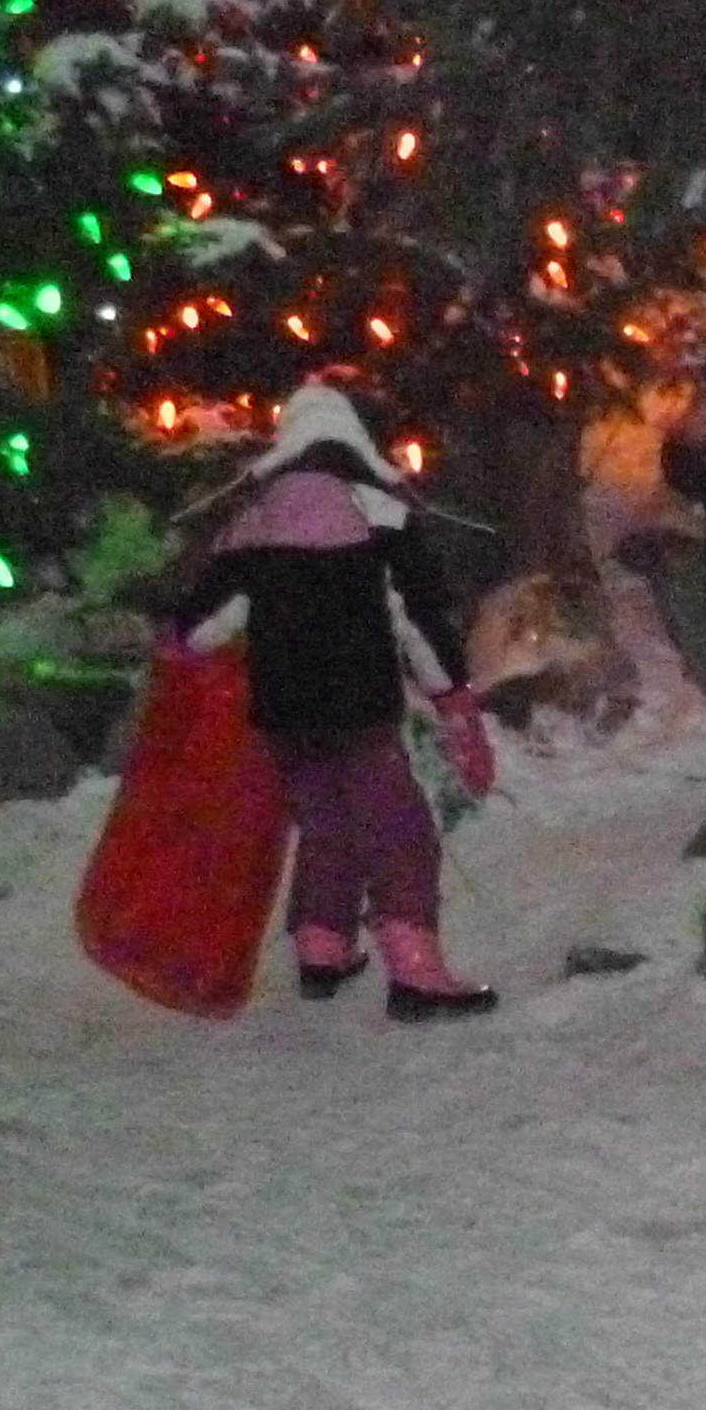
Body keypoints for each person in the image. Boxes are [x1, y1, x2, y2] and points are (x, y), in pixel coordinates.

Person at [166, 382, 502, 1020]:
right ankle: (416, 973)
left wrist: (183, 648)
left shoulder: (253, 525)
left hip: (286, 715)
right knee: (398, 830)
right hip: (360, 706)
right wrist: (453, 699)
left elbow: (202, 626)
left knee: (325, 823)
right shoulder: (382, 515)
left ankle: (322, 948)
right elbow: (418, 621)